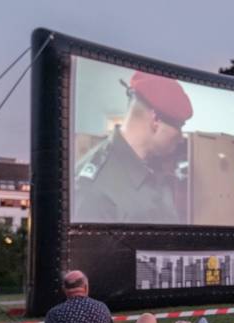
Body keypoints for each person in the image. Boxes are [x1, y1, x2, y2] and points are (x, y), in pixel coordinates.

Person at [73, 71, 193, 224]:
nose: (181, 137)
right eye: (178, 125)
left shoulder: (156, 166)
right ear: (155, 120)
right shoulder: (94, 188)